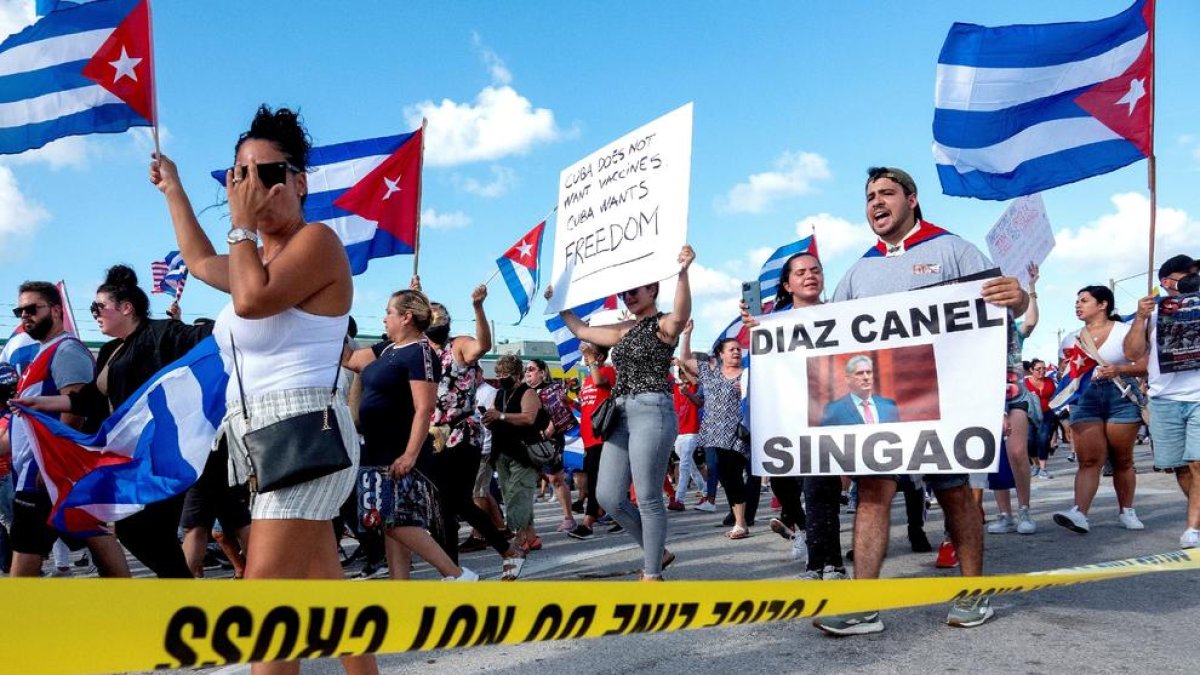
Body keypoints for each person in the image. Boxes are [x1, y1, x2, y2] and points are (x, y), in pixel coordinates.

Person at [151, 105, 377, 675]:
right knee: (329, 600)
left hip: (306, 437)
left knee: (265, 605)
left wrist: (241, 225)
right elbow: (202, 262)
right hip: (267, 445)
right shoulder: (257, 257)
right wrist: (175, 188)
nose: (256, 188)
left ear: (299, 183)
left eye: (270, 174)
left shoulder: (317, 241)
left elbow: (251, 300)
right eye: (241, 176)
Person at [814, 167, 1029, 635]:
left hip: (946, 399)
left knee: (954, 492)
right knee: (872, 495)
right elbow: (827, 342)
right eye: (869, 195)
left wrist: (1020, 296)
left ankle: (974, 594)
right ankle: (864, 605)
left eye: (886, 193)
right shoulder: (858, 271)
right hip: (885, 404)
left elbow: (1002, 311)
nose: (875, 202)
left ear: (911, 199)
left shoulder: (952, 248)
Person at [15, 265, 226, 578]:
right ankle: (179, 589)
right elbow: (90, 399)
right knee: (136, 530)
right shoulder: (111, 351)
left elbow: (215, 337)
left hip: (170, 452)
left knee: (146, 528)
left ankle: (181, 589)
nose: (95, 314)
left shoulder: (164, 333)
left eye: (99, 307)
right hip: (136, 456)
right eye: (92, 308)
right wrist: (39, 403)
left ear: (126, 308)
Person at [548, 245, 693, 580]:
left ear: (653, 290)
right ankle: (659, 552)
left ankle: (652, 573)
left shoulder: (662, 325)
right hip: (620, 413)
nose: (628, 296)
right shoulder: (623, 329)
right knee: (608, 496)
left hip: (652, 410)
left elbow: (681, 315)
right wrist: (560, 304)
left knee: (647, 496)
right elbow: (582, 331)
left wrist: (683, 273)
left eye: (634, 290)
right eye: (625, 291)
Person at [343, 290, 477, 582]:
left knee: (392, 522)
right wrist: (334, 323)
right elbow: (351, 359)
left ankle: (455, 574)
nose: (384, 318)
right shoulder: (387, 349)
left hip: (400, 448)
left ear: (406, 317)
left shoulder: (421, 352)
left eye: (389, 312)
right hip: (377, 447)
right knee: (391, 524)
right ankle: (400, 587)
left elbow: (424, 407)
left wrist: (410, 454)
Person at [1, 281, 129, 579]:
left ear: (57, 310)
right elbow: (20, 428)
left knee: (26, 552)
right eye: (20, 310)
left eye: (32, 309)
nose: (24, 316)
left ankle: (15, 622)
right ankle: (128, 600)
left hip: (45, 473)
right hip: (41, 472)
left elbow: (77, 408)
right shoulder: (39, 356)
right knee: (95, 533)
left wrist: (50, 466)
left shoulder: (66, 350)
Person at [743, 250, 847, 577]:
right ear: (787, 284)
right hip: (792, 417)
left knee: (824, 489)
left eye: (815, 270)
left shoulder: (843, 314)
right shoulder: (774, 323)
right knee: (804, 488)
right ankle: (822, 561)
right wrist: (758, 329)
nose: (809, 276)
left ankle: (828, 563)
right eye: (800, 272)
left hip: (834, 412)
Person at [422, 285, 525, 578]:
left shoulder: (459, 345)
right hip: (433, 436)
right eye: (429, 316)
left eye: (439, 315)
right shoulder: (422, 352)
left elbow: (483, 344)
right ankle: (453, 572)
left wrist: (478, 308)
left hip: (462, 432)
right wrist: (414, 295)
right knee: (442, 508)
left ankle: (507, 550)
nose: (435, 319)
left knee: (456, 501)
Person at [1053, 286, 1148, 536]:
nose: (1078, 305)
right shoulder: (1071, 338)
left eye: (1084, 300)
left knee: (1122, 459)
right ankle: (1080, 513)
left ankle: (1127, 510)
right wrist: (1065, 372)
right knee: (1089, 459)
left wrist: (1120, 369)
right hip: (1086, 396)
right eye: (1077, 301)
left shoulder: (1124, 330)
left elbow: (1143, 363)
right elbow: (1066, 375)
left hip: (1120, 394)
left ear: (1103, 304)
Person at [1125, 254, 1200, 548]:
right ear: (1168, 282)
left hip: (1198, 398)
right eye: (1189, 273)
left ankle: (1192, 528)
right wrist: (1141, 316)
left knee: (1197, 464)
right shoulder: (1152, 315)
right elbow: (1132, 353)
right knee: (1180, 467)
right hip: (1164, 400)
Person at [679, 329, 750, 539]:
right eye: (731, 349)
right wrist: (687, 334)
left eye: (738, 349)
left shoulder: (747, 375)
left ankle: (741, 522)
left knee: (734, 475)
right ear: (721, 354)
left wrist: (746, 390)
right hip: (713, 435)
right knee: (726, 478)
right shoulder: (710, 372)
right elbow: (685, 359)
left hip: (738, 434)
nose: (736, 352)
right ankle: (740, 520)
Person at [482, 354, 546, 562]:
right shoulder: (499, 394)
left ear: (517, 375)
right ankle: (531, 536)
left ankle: (519, 539)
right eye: (498, 373)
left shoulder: (527, 392)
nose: (501, 377)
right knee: (511, 495)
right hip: (501, 451)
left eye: (505, 374)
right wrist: (489, 419)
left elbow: (528, 418)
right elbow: (495, 415)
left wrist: (501, 416)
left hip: (522, 452)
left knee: (519, 494)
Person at [569, 343, 617, 540]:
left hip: (602, 436)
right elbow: (588, 404)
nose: (586, 357)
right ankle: (618, 515)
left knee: (597, 480)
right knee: (594, 480)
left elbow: (600, 383)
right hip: (588, 438)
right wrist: (571, 403)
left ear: (599, 356)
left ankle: (588, 523)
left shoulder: (607, 370)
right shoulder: (587, 377)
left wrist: (591, 361)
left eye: (591, 354)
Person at [524, 358, 578, 532]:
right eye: (526, 370)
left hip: (550, 441)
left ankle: (569, 518)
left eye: (531, 369)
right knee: (524, 480)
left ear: (542, 372)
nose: (527, 373)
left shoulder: (551, 390)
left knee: (555, 478)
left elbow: (560, 412)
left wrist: (548, 432)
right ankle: (524, 526)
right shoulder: (524, 392)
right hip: (529, 442)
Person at [672, 359, 706, 509]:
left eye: (686, 375)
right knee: (690, 466)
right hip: (679, 434)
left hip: (692, 433)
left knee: (684, 465)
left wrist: (682, 366)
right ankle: (705, 490)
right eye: (681, 375)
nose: (684, 377)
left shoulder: (694, 388)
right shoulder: (676, 389)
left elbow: (693, 380)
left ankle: (679, 499)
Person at [1025, 359, 1057, 479]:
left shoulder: (1050, 381)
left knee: (1043, 440)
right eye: (1038, 369)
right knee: (1029, 441)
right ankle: (1035, 465)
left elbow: (1056, 396)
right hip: (1029, 416)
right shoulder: (1025, 383)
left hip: (1046, 414)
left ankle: (1043, 469)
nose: (1042, 371)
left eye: (1044, 369)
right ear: (1031, 370)